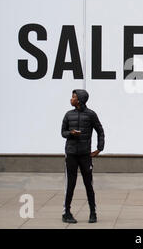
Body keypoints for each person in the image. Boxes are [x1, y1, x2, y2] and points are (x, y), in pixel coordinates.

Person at [61, 89, 105, 223]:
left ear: (79, 100)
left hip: (85, 155)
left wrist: (99, 149)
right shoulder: (68, 115)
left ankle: (93, 213)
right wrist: (71, 133)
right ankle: (66, 213)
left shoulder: (91, 115)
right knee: (70, 184)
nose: (71, 99)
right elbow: (63, 132)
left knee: (88, 184)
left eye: (73, 97)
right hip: (71, 154)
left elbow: (100, 131)